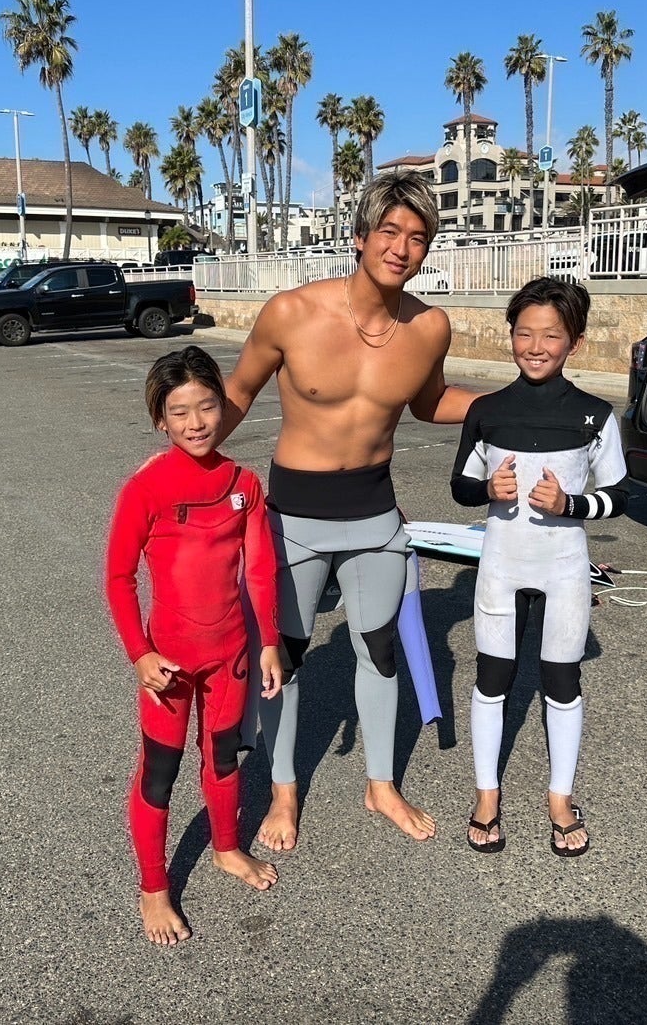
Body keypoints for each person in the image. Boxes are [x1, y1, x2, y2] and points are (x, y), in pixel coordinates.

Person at [220, 171, 475, 851]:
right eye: (389, 231)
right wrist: (184, 460)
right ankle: (283, 790)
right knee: (284, 657)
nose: (401, 247)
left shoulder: (428, 327)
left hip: (373, 515)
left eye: (416, 237)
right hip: (294, 518)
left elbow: (430, 403)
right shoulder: (291, 313)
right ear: (359, 236)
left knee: (379, 650)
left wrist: (511, 404)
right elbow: (237, 393)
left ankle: (380, 783)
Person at [104, 345, 284, 946]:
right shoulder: (146, 488)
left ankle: (226, 847)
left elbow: (260, 569)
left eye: (207, 407)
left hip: (230, 653)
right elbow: (119, 578)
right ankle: (154, 887)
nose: (196, 422)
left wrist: (269, 643)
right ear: (161, 420)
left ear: (223, 407)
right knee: (160, 771)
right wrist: (140, 654)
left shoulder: (243, 484)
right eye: (179, 412)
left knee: (224, 756)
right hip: (170, 663)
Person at [448, 277, 629, 858]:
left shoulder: (594, 414)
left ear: (575, 342)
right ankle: (486, 794)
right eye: (524, 333)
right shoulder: (486, 412)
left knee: (562, 683)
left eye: (551, 335)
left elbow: (619, 495)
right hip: (502, 566)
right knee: (492, 680)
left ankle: (559, 797)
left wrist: (571, 504)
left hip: (564, 569)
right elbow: (460, 486)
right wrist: (487, 490)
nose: (535, 346)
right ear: (510, 335)